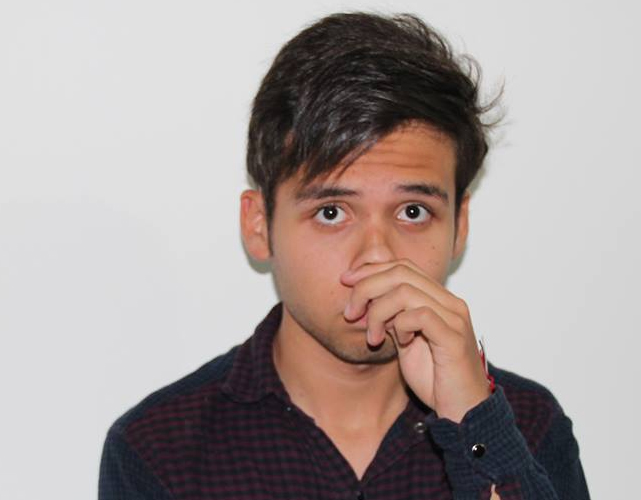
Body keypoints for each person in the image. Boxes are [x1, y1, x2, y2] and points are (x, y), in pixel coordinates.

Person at [99, 12, 589, 500]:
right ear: (259, 225)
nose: (376, 258)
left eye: (413, 211)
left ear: (459, 226)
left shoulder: (529, 427)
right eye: (331, 212)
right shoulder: (160, 451)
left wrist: (471, 422)